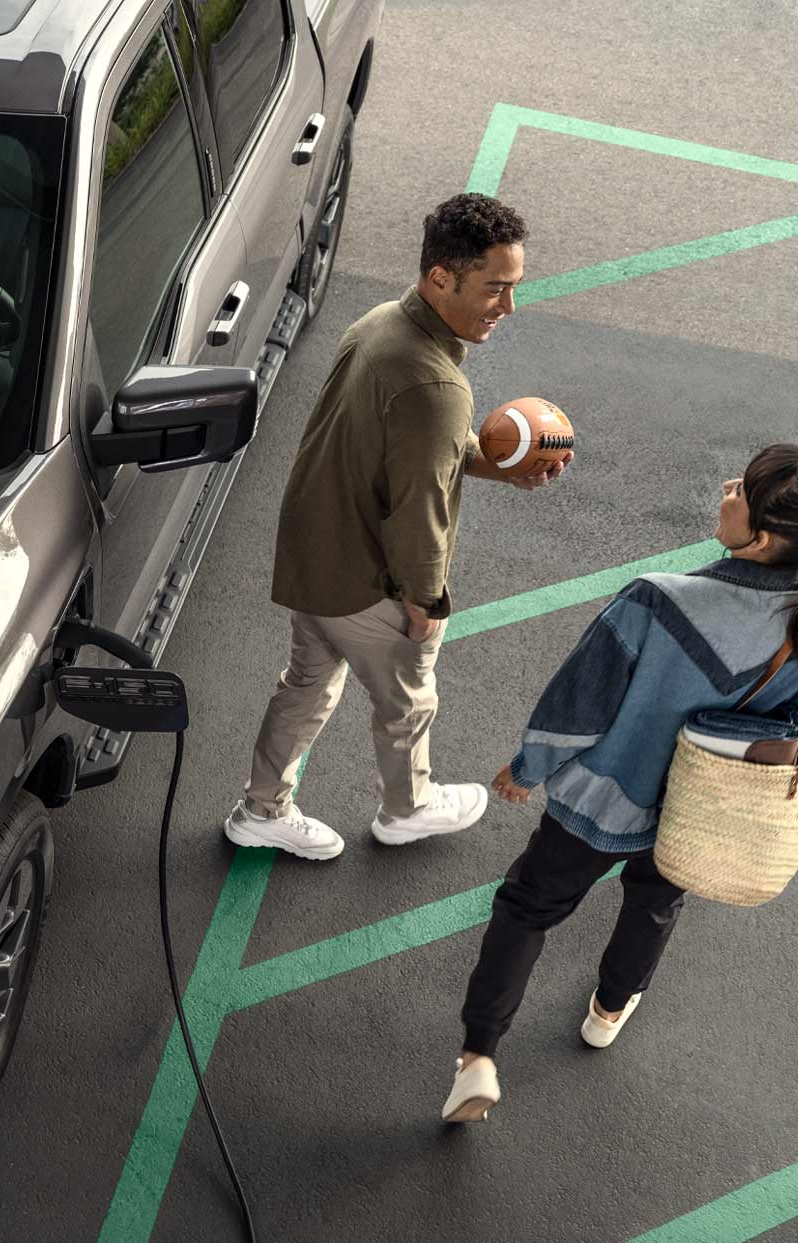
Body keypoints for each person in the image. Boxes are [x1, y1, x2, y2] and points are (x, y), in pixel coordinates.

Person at [440, 445, 798, 1123]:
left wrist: (528, 767)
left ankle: (478, 1056)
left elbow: (580, 703)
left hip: (601, 800)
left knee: (526, 909)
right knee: (654, 902)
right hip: (701, 810)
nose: (725, 490)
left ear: (763, 537)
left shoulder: (658, 600)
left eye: (739, 491)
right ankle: (608, 1008)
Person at [226, 194, 569, 862]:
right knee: (409, 703)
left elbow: (412, 448)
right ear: (442, 277)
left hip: (311, 560)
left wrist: (500, 469)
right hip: (366, 582)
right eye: (495, 288)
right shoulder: (436, 387)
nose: (508, 307)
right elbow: (421, 509)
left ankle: (260, 809)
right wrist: (423, 603)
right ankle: (408, 809)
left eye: (514, 287)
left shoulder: (382, 324)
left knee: (304, 688)